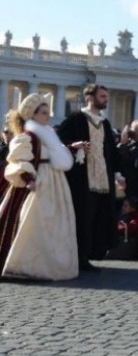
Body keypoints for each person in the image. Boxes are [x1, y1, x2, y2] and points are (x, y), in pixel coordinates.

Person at [0, 94, 78, 280]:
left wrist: (72, 149)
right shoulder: (28, 136)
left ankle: (44, 263)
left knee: (52, 225)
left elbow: (51, 154)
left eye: (48, 112)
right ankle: (20, 263)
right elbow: (19, 159)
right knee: (31, 222)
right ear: (32, 115)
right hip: (38, 181)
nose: (48, 116)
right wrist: (28, 179)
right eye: (43, 113)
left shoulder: (46, 133)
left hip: (54, 181)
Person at [57, 83, 123, 271]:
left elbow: (111, 150)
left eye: (106, 97)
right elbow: (59, 140)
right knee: (82, 216)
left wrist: (117, 174)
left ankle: (90, 253)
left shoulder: (105, 122)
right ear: (90, 97)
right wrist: (73, 145)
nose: (106, 100)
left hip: (102, 176)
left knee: (97, 216)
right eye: (102, 96)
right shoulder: (76, 119)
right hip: (82, 178)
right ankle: (77, 256)